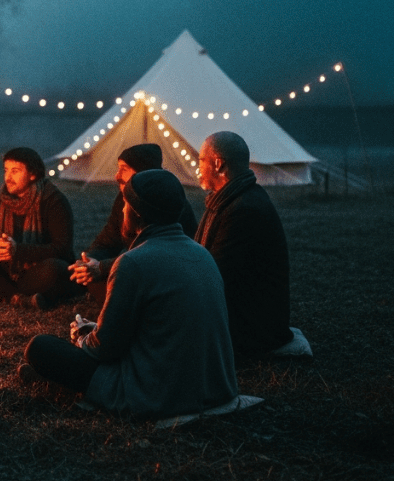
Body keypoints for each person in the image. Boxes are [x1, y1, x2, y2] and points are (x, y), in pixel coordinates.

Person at [21, 170, 239, 420]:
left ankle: (55, 382)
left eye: (125, 204)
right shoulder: (202, 255)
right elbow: (159, 328)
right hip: (214, 389)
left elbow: (106, 349)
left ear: (137, 213)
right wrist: (97, 329)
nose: (122, 211)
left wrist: (83, 339)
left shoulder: (132, 263)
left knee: (40, 347)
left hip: (158, 394)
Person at [196, 131, 299, 356]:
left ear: (218, 164)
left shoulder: (244, 209)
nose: (198, 167)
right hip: (244, 315)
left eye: (201, 160)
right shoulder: (229, 200)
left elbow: (215, 274)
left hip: (252, 327)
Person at [69, 144, 198, 303]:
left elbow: (154, 256)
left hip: (166, 277)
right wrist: (89, 261)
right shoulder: (123, 199)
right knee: (93, 279)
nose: (117, 176)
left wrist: (102, 267)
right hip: (136, 269)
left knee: (116, 285)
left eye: (124, 169)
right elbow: (108, 240)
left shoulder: (167, 202)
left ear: (141, 173)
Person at [0, 147, 78, 308]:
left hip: (36, 271)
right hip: (5, 269)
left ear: (32, 174)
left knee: (54, 269)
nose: (8, 177)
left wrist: (17, 251)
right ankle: (16, 297)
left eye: (15, 171)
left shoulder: (53, 200)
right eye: (6, 170)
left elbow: (62, 249)